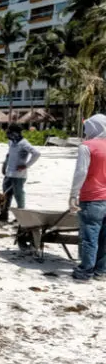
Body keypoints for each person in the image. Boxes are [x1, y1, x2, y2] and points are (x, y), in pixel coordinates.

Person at [69, 114, 106, 280]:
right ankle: (101, 271)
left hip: (92, 198)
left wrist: (73, 194)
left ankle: (85, 271)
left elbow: (81, 172)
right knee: (104, 237)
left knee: (89, 237)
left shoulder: (86, 146)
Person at [0, 124, 41, 222]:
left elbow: (37, 153)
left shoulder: (24, 143)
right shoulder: (11, 142)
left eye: (10, 132)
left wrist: (26, 165)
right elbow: (9, 155)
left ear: (16, 133)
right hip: (9, 173)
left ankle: (21, 216)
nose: (8, 134)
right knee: (5, 195)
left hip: (18, 175)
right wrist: (4, 165)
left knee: (18, 195)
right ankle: (4, 214)